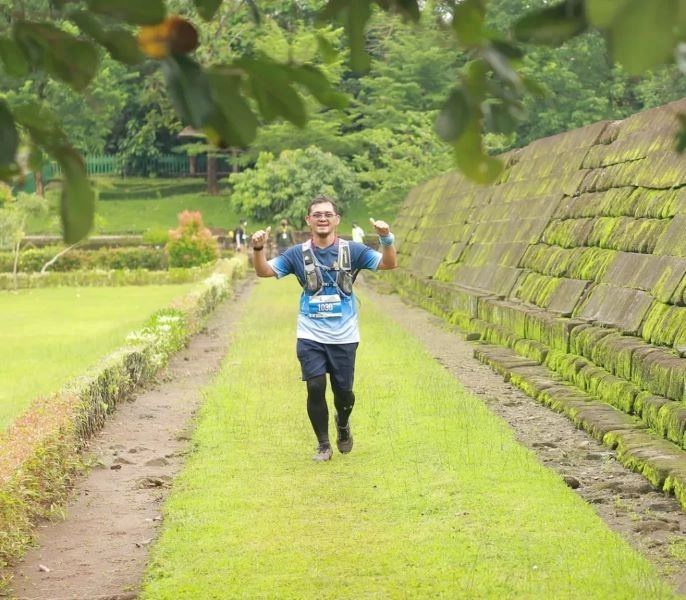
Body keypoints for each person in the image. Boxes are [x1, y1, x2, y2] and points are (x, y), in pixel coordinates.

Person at [251, 196, 397, 462]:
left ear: (336, 220)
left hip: (344, 335)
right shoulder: (297, 253)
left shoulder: (353, 251)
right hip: (310, 333)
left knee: (344, 392)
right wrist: (259, 249)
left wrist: (386, 239)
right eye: (317, 214)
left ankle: (343, 422)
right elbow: (264, 272)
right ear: (308, 220)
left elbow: (388, 264)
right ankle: (323, 445)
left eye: (328, 214)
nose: (322, 218)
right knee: (315, 386)